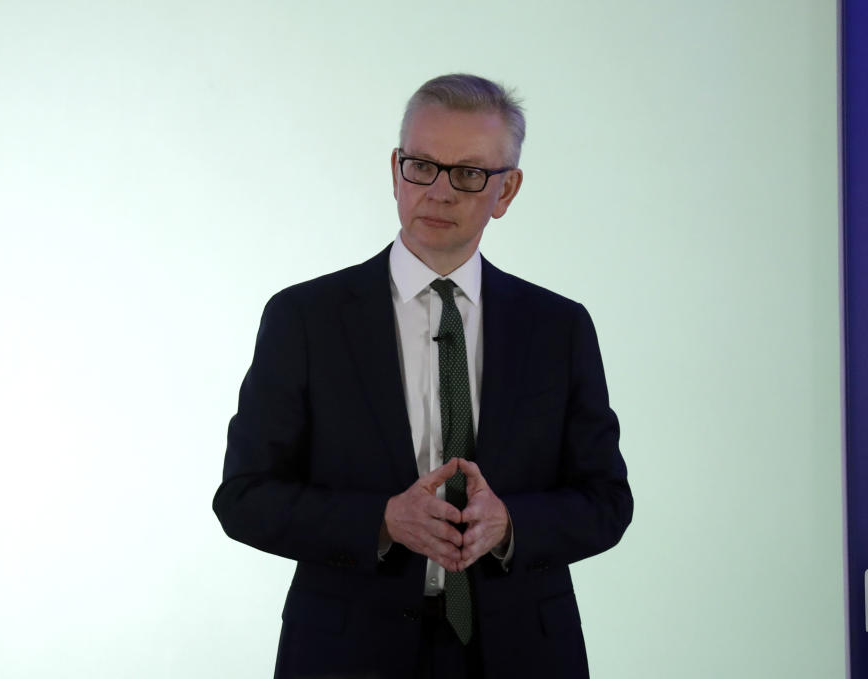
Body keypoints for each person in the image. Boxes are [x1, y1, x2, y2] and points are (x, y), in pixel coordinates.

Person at [213, 73, 632, 679]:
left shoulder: (559, 327)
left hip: (526, 653)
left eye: (468, 173)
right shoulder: (304, 319)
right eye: (421, 166)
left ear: (507, 190)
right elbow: (244, 497)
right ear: (395, 169)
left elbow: (606, 501)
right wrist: (382, 521)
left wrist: (511, 524)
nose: (438, 191)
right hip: (345, 653)